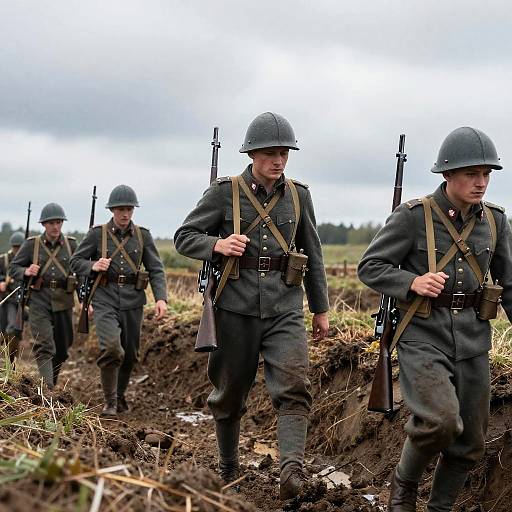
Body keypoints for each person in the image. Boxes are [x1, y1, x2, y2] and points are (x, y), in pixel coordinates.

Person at [174, 112, 329, 500]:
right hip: (233, 308)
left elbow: (313, 251)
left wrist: (320, 308)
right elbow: (184, 237)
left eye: (284, 153)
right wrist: (217, 245)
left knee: (295, 388)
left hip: (285, 308)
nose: (279, 161)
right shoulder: (224, 192)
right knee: (229, 393)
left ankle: (291, 470)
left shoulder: (299, 195)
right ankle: (228, 465)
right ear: (252, 154)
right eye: (271, 153)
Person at [358, 127, 512, 512]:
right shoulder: (413, 217)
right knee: (440, 422)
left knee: (470, 442)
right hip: (423, 336)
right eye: (471, 175)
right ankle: (404, 483)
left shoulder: (495, 221)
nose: (481, 183)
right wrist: (412, 281)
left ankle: (439, 507)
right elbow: (370, 266)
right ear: (448, 175)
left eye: (486, 175)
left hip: (474, 340)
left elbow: (510, 283)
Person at [70, 184, 168, 417]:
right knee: (112, 348)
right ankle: (110, 402)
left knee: (130, 354)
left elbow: (156, 269)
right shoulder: (97, 234)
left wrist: (161, 298)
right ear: (112, 210)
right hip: (104, 299)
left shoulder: (143, 236)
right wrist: (93, 265)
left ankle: (120, 395)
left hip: (134, 301)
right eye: (120, 209)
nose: (125, 214)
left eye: (129, 209)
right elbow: (75, 262)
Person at [10, 204, 77, 387]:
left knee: (63, 349)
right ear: (44, 225)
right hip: (39, 302)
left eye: (58, 222)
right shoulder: (32, 244)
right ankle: (47, 391)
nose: (55, 227)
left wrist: (88, 301)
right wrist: (26, 270)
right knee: (45, 346)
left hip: (64, 301)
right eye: (51, 223)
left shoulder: (71, 245)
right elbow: (13, 268)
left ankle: (51, 381)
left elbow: (81, 272)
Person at [0, 231, 25, 363]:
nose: (18, 250)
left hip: (22, 301)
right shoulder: (3, 259)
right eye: (16, 247)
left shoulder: (28, 260)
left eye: (20, 247)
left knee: (15, 330)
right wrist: (1, 282)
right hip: (7, 299)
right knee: (6, 329)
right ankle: (8, 362)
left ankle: (11, 362)